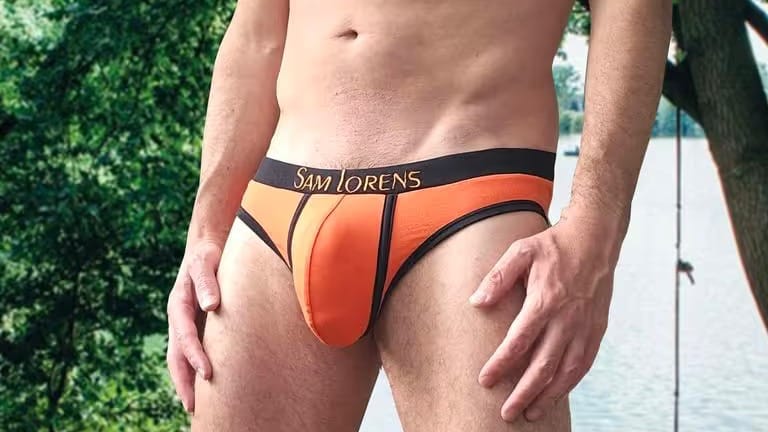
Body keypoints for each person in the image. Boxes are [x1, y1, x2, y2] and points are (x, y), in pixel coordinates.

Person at [165, 0, 671, 430]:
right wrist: (207, 231)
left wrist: (595, 229)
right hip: (274, 208)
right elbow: (257, 33)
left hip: (469, 197)